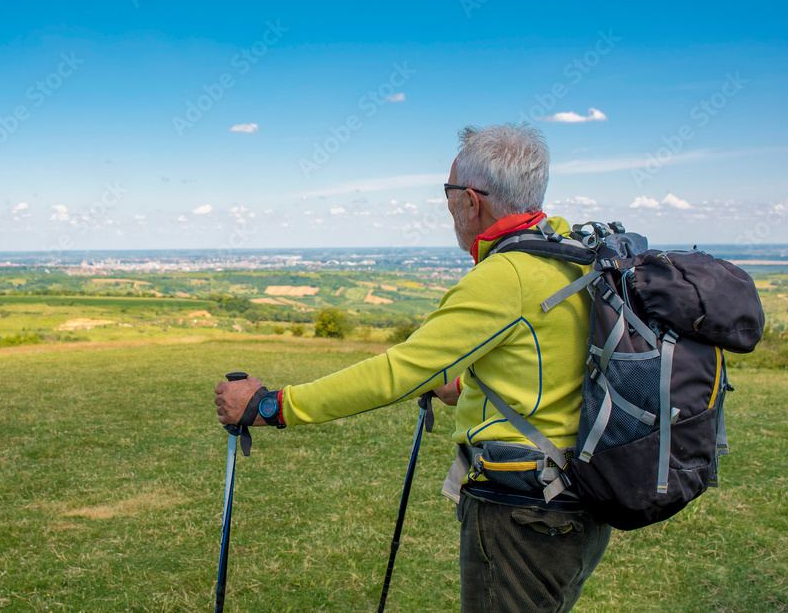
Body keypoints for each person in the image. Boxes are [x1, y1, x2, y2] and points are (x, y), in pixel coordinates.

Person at [214, 122, 611, 612]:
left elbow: (396, 371)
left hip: (526, 512)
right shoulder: (570, 255)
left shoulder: (507, 276)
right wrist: (467, 386)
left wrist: (272, 406)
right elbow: (553, 364)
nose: (447, 207)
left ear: (471, 201)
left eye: (447, 193)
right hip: (578, 500)